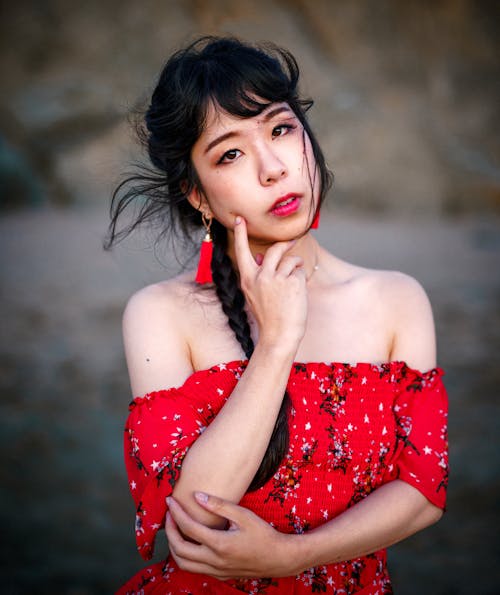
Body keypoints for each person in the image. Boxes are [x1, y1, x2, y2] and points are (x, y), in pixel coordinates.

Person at [107, 36, 448, 594]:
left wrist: (294, 556)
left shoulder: (396, 299)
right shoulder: (160, 314)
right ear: (197, 195)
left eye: (281, 129)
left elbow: (425, 489)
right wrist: (276, 344)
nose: (272, 168)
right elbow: (194, 524)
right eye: (230, 154)